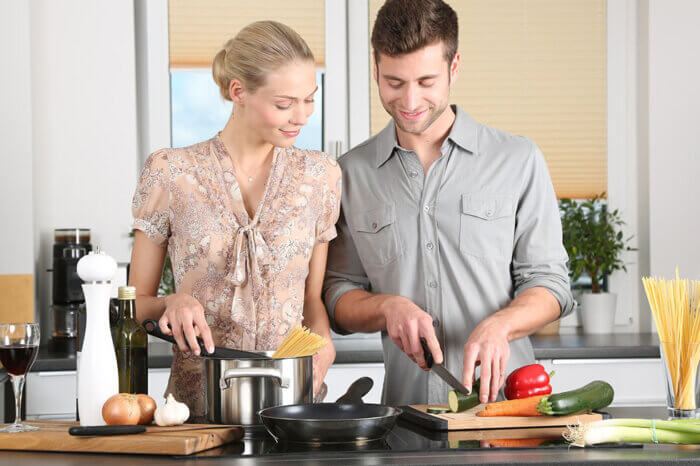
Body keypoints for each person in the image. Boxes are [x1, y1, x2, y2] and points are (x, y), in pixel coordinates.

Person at [323, 0, 574, 406]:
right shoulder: (350, 173)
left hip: (510, 413)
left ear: (454, 67)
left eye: (426, 81)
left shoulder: (517, 159)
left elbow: (551, 284)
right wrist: (388, 307)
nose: (409, 100)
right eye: (394, 82)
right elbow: (338, 294)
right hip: (406, 418)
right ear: (375, 69)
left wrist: (502, 325)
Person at [130, 21, 340, 419]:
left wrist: (324, 340)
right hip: (194, 412)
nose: (301, 116)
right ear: (238, 91)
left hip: (291, 408)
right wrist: (171, 302)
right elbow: (131, 308)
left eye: (309, 99)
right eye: (284, 104)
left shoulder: (321, 176)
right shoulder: (171, 172)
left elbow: (311, 300)